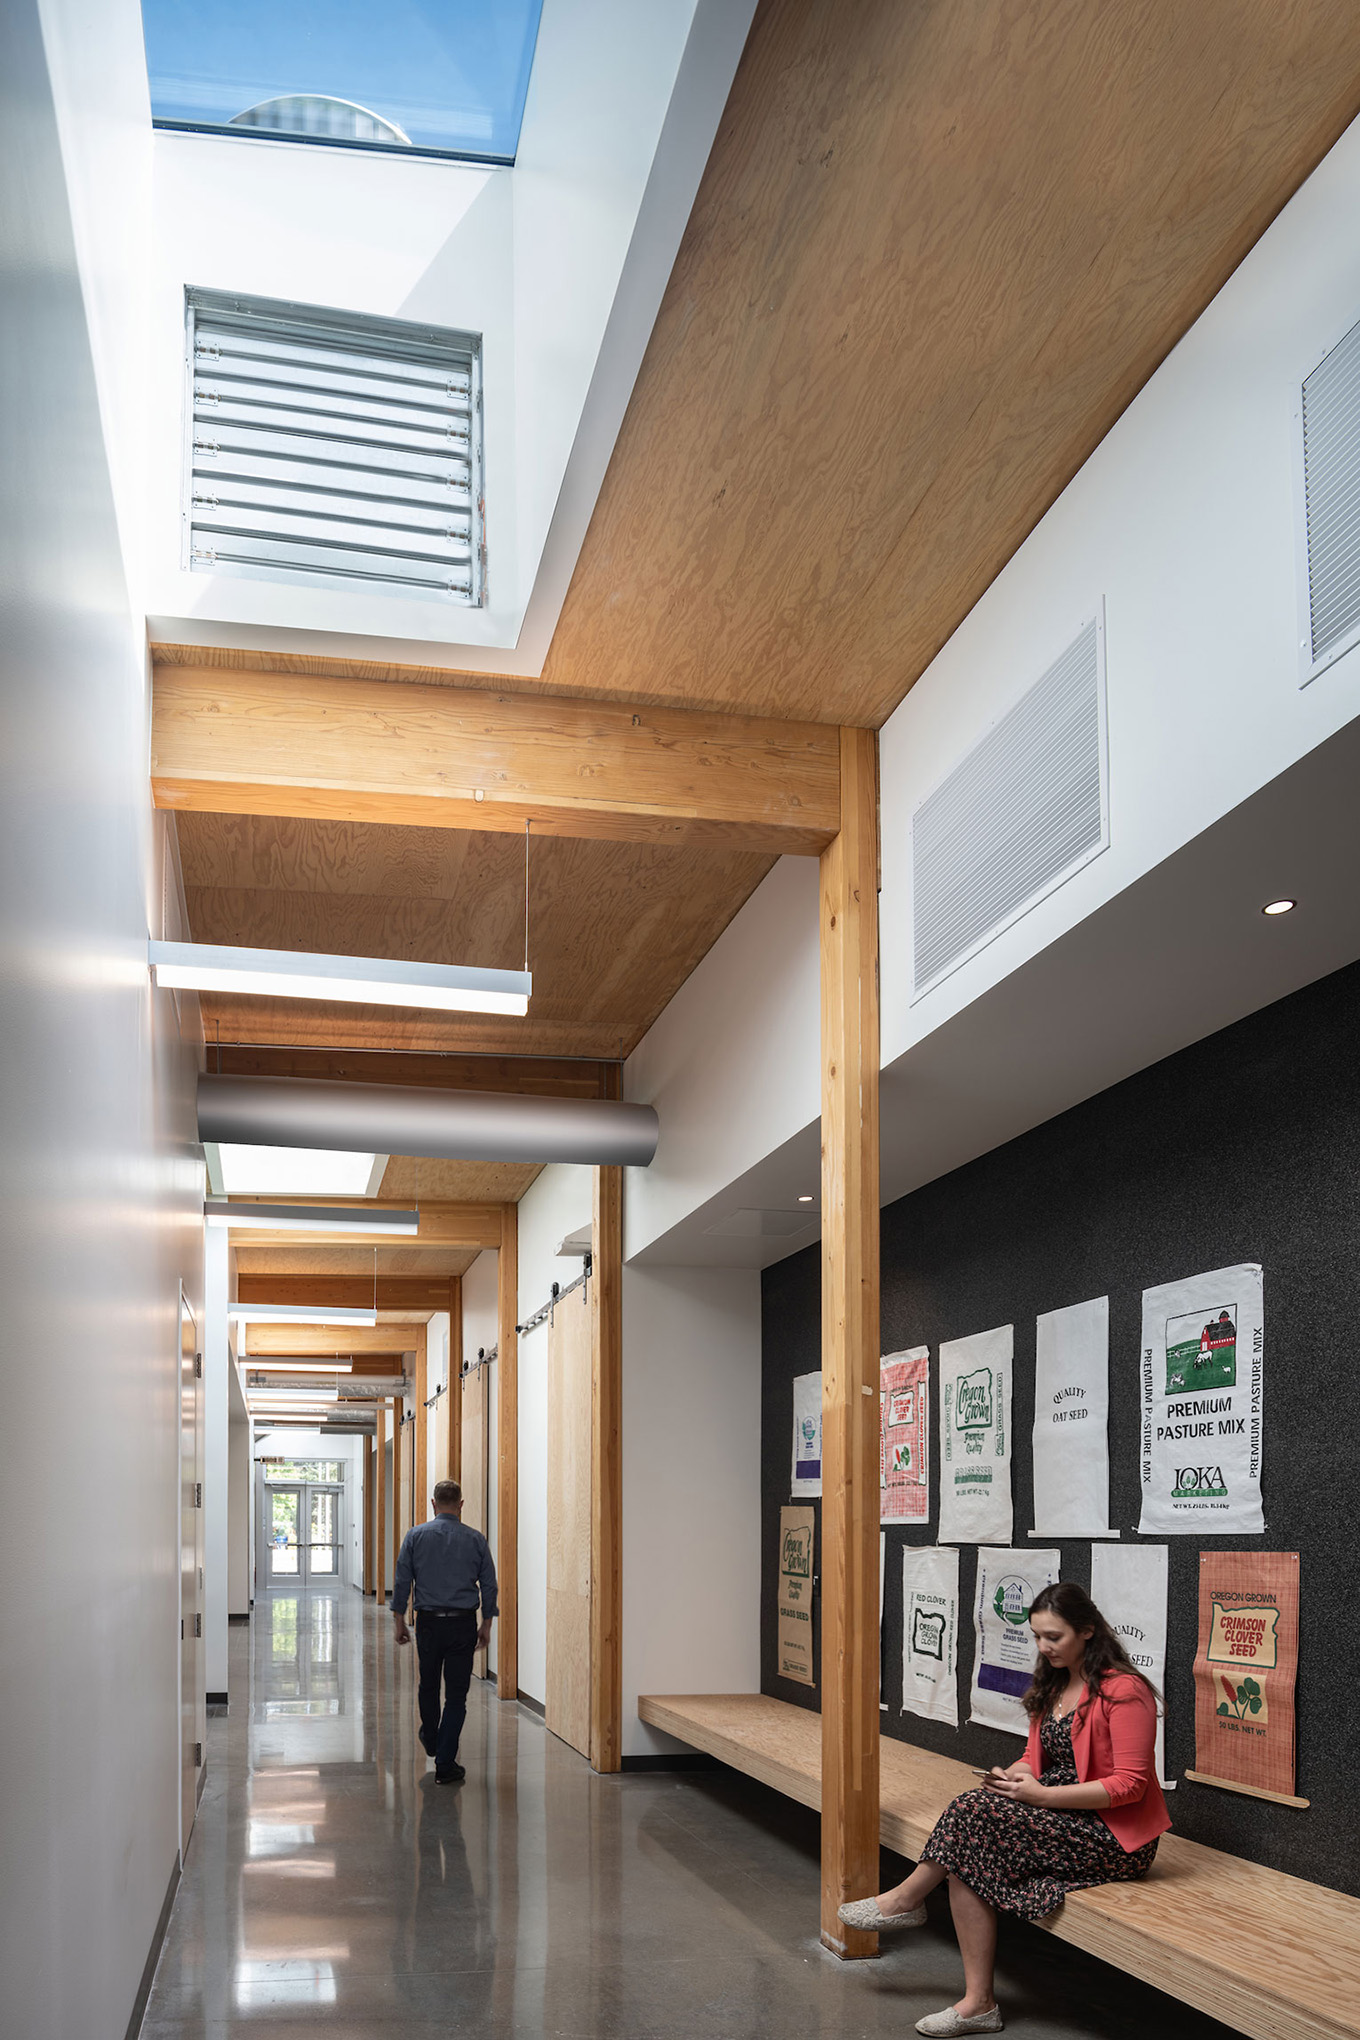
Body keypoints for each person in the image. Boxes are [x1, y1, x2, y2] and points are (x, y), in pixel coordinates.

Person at [837, 1580, 1170, 2036]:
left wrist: (1042, 1796)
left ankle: (909, 1904)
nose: (1043, 1646)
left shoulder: (1124, 1690)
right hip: (1062, 1812)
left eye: (1054, 1637)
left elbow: (1130, 1785)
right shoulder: (1055, 1682)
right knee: (972, 1830)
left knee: (970, 1819)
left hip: (1112, 1834)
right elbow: (1037, 1757)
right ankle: (975, 1999)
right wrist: (1015, 1774)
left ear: (1088, 1631)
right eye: (1036, 1636)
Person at [391, 1479, 497, 1784]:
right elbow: (488, 1585)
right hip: (463, 1624)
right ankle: (446, 1763)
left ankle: (432, 1736)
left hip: (428, 1623)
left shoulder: (415, 1536)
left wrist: (399, 1619)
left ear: (433, 1504)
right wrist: (486, 1624)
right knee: (456, 1695)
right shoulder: (476, 1539)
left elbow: (401, 1581)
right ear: (461, 1505)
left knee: (428, 1685)